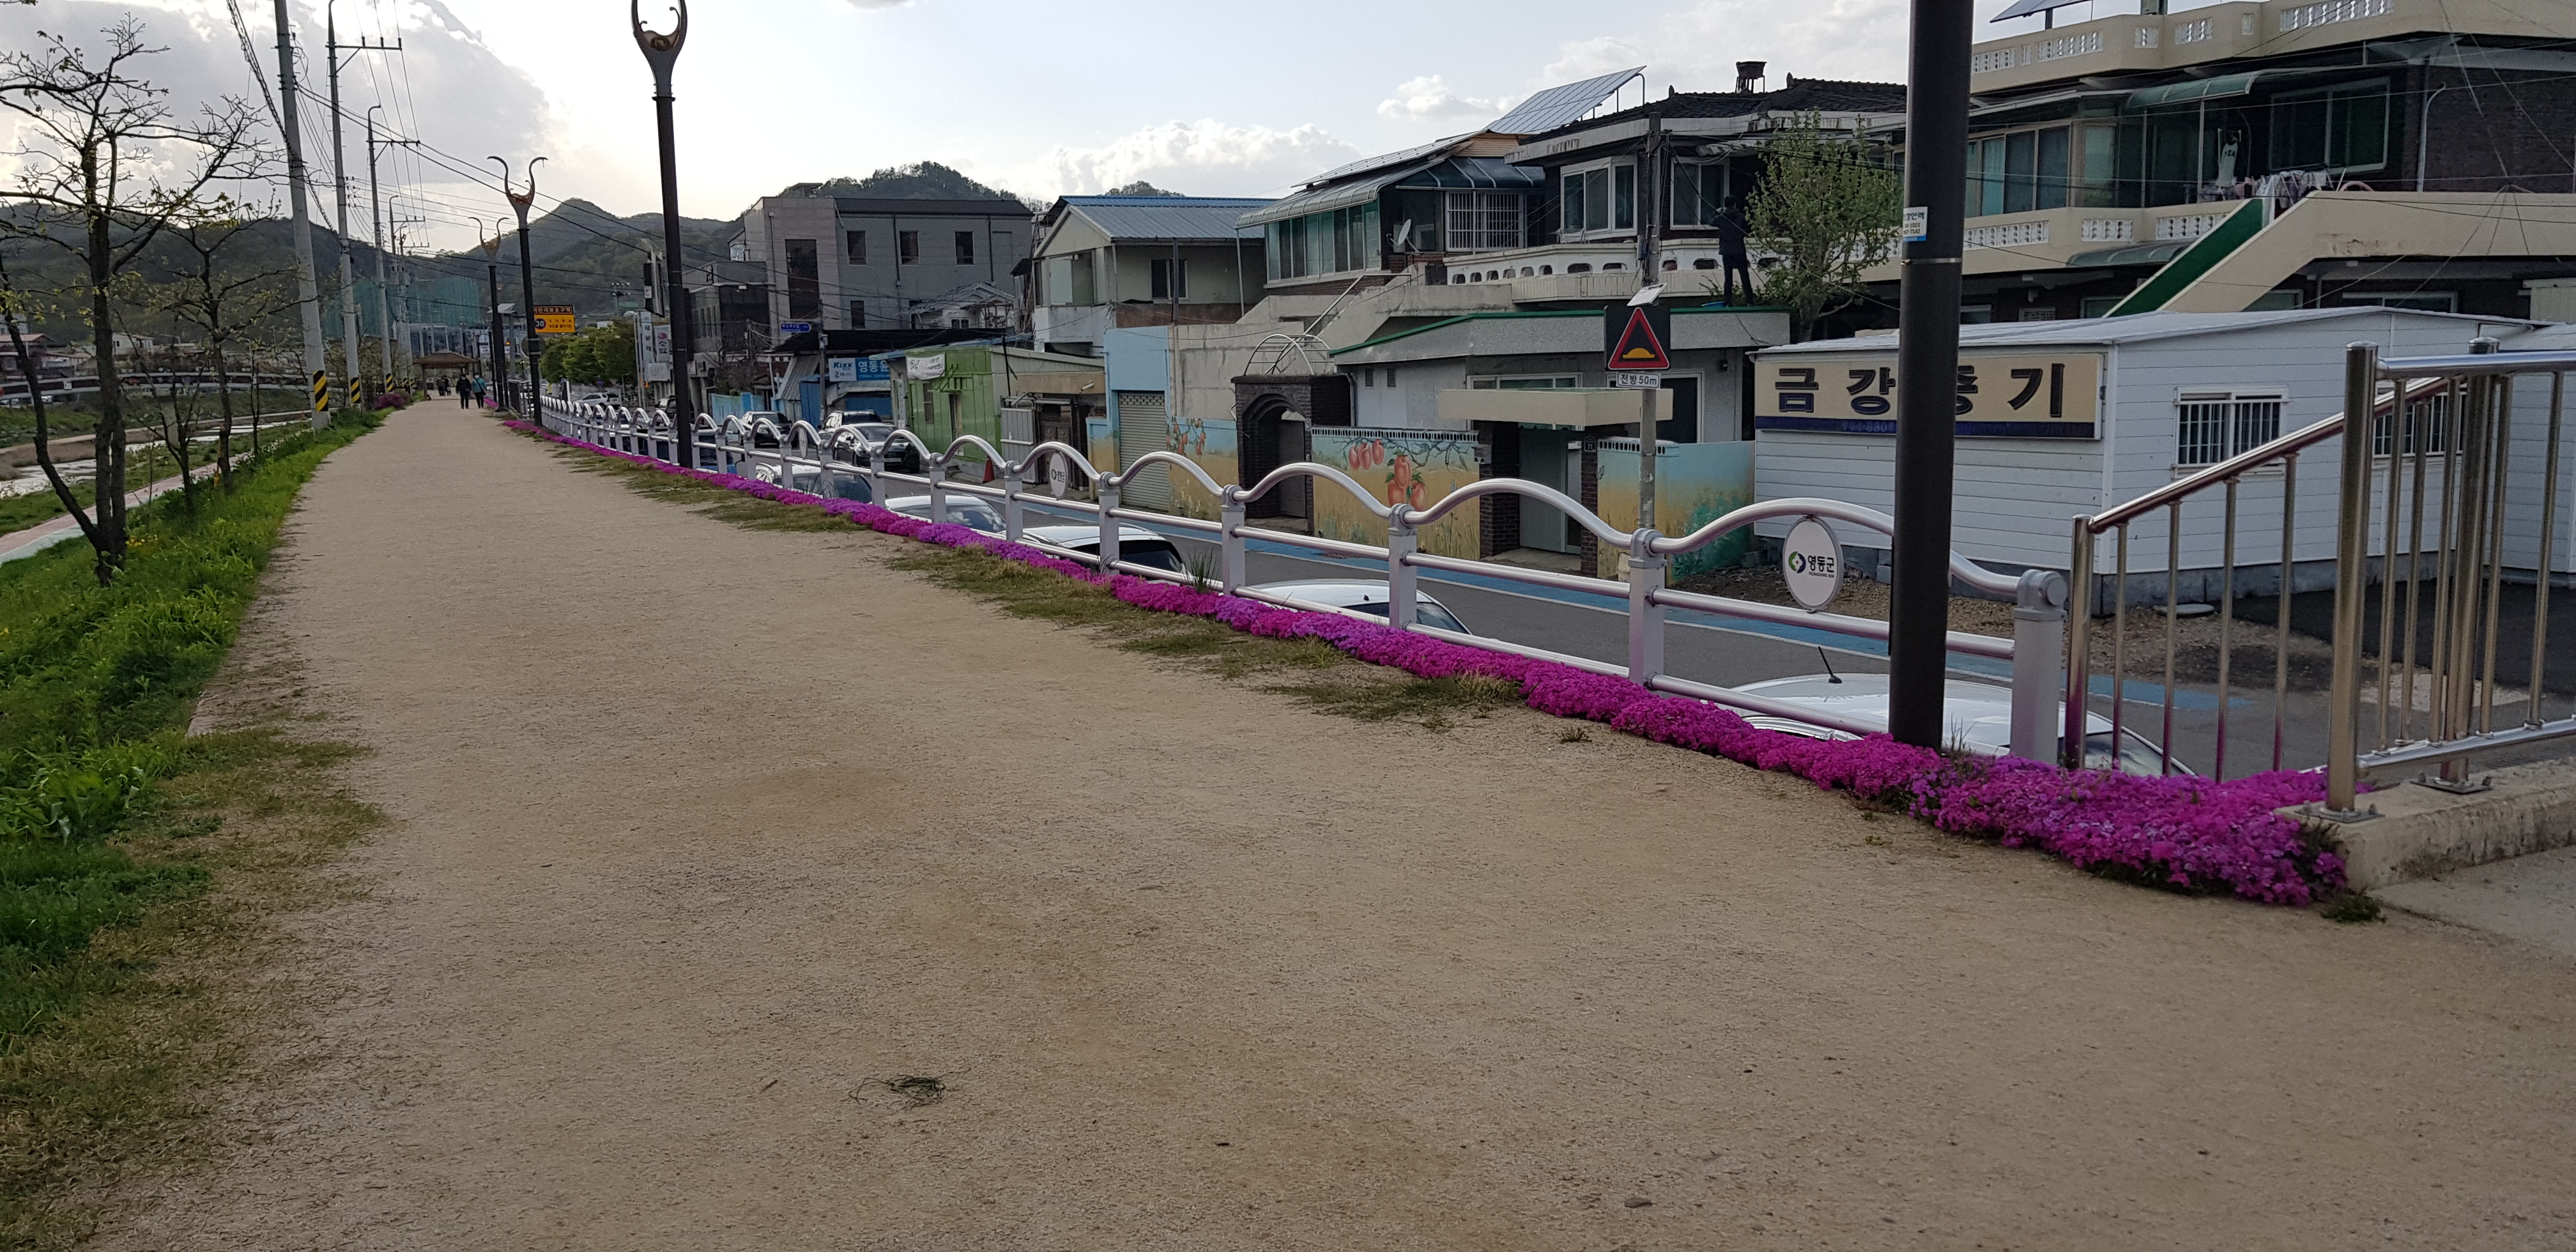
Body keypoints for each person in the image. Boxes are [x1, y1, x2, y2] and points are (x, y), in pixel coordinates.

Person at [1716, 197, 1754, 305]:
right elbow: (1748, 230)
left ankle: (1728, 302)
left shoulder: (1721, 218)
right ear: (1735, 204)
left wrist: (1717, 212)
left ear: (1725, 205)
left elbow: (1710, 222)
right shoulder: (1741, 217)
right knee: (1745, 277)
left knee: (1728, 278)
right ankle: (1750, 301)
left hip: (1726, 251)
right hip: (1739, 250)